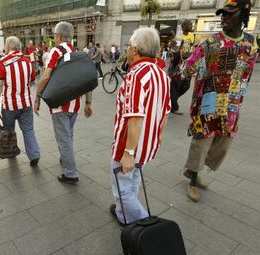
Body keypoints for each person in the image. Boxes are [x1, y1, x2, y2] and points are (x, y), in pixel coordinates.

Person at [183, 0, 257, 202]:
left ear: (243, 15)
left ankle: (193, 170)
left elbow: (247, 74)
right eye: (222, 13)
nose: (223, 17)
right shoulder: (210, 42)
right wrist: (190, 69)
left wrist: (239, 98)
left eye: (229, 13)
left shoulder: (251, 43)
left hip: (232, 102)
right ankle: (193, 179)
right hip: (208, 100)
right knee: (203, 140)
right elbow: (188, 67)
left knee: (223, 143)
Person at [109, 27, 171, 225]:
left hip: (129, 144)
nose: (127, 50)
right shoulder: (162, 74)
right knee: (133, 180)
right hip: (148, 143)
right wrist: (158, 136)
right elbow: (166, 111)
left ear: (135, 49)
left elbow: (135, 117)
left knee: (122, 191)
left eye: (128, 46)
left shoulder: (136, 75)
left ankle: (148, 225)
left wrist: (128, 152)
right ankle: (123, 215)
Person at [34, 21, 93, 184]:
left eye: (54, 35)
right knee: (69, 135)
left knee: (64, 138)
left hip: (59, 104)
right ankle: (65, 158)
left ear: (59, 36)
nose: (54, 38)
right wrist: (88, 102)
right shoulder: (78, 52)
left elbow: (45, 77)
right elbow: (87, 79)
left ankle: (71, 173)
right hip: (75, 104)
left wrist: (37, 97)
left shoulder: (56, 51)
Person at [0, 36, 40, 166]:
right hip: (26, 103)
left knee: (9, 130)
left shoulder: (3, 62)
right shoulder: (27, 61)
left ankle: (12, 152)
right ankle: (34, 154)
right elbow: (31, 81)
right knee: (28, 130)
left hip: (10, 105)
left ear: (8, 47)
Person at [168, 19, 195, 115]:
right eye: (189, 24)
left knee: (186, 86)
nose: (191, 25)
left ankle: (171, 100)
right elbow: (174, 53)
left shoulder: (192, 35)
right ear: (183, 26)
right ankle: (174, 107)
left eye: (191, 24)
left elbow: (192, 48)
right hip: (178, 66)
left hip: (187, 65)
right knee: (175, 86)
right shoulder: (178, 37)